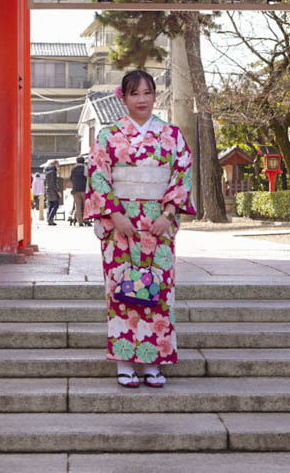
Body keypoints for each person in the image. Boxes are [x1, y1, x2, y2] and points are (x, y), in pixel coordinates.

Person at [85, 70, 195, 389]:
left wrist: (170, 211)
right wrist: (115, 213)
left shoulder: (171, 135)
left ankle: (151, 361)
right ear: (124, 97)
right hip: (120, 224)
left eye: (148, 92)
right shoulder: (107, 135)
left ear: (155, 95)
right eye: (135, 93)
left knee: (157, 290)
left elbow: (182, 172)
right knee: (121, 290)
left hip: (159, 224)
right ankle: (124, 360)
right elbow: (98, 175)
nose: (142, 99)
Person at [69, 156, 87, 226]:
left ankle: (80, 222)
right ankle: (86, 219)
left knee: (78, 205)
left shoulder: (73, 168)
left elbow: (71, 178)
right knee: (86, 205)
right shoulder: (85, 167)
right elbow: (88, 177)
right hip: (84, 189)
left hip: (75, 189)